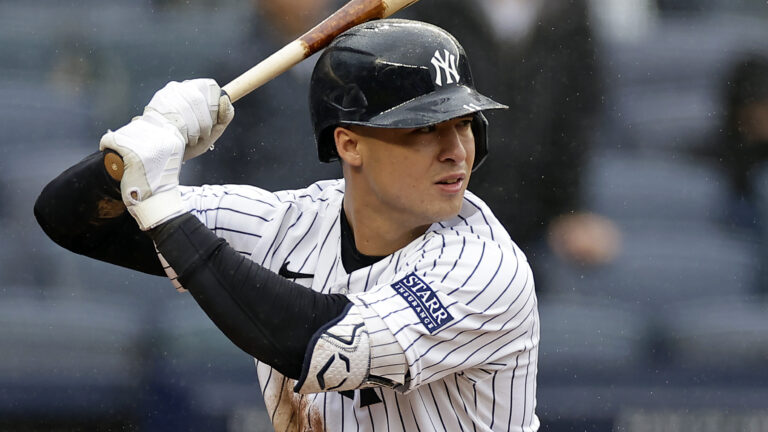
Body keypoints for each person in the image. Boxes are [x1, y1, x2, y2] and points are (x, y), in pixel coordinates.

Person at [35, 19, 539, 431]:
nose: (455, 150)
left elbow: (317, 345)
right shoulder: (292, 222)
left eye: (464, 123)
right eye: (425, 129)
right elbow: (69, 217)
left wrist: (159, 203)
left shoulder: (487, 267)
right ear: (350, 144)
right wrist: (141, 144)